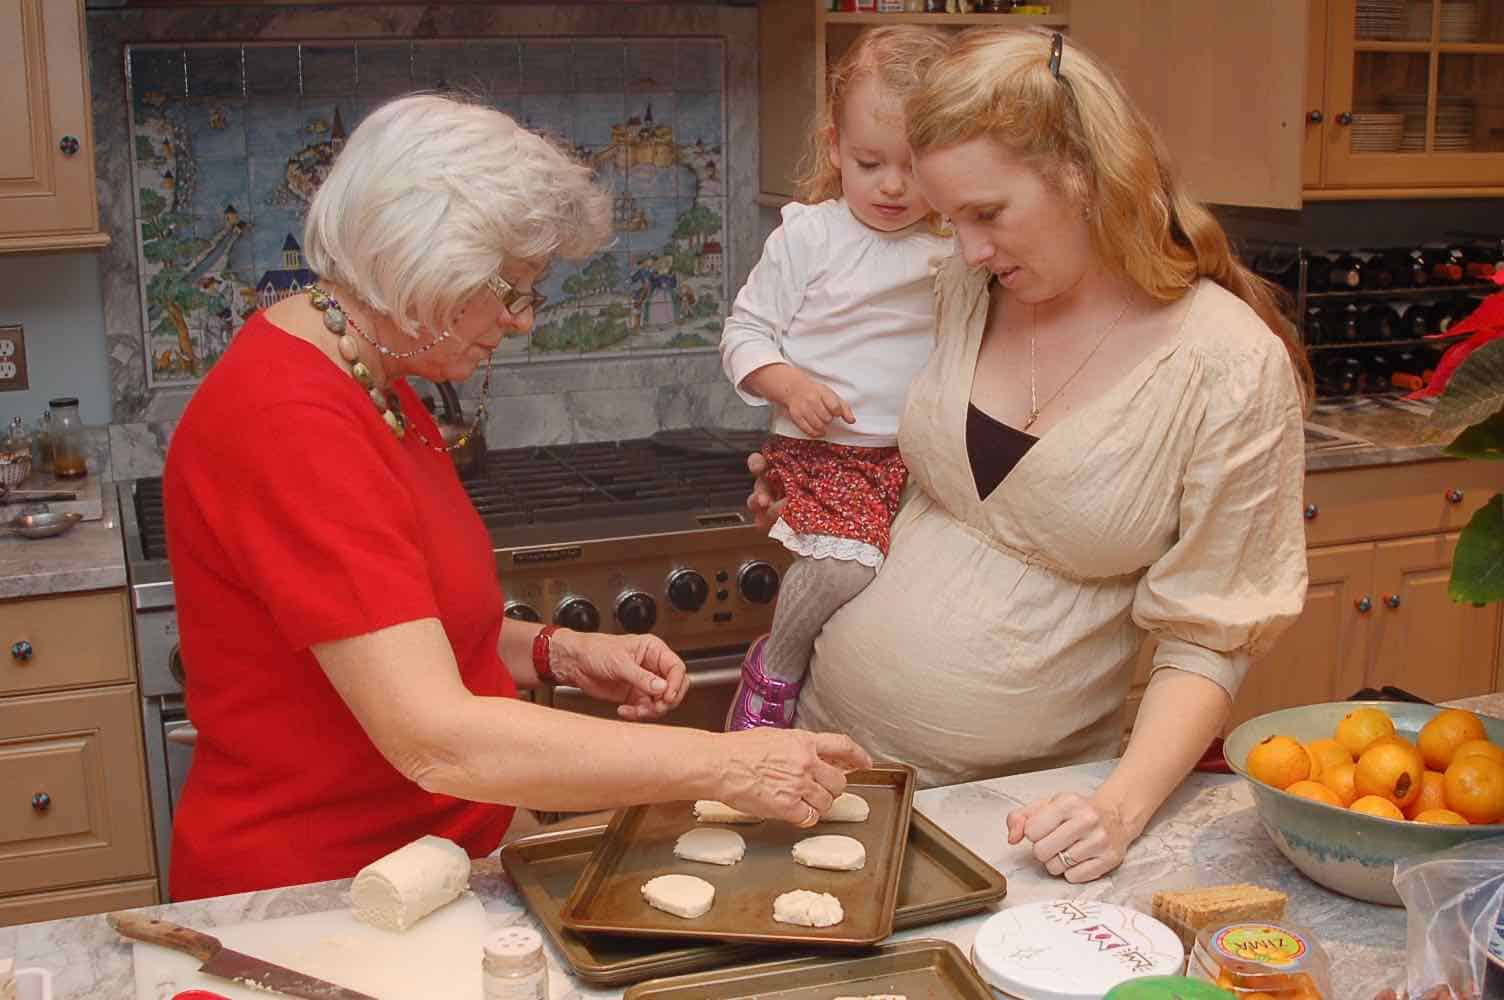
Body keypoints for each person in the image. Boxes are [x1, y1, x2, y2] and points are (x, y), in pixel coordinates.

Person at [163, 94, 870, 902]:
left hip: (436, 858)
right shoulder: (291, 420)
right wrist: (727, 763)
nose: (522, 321)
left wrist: (558, 652)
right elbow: (437, 737)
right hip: (323, 895)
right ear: (424, 258)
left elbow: (388, 621)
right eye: (511, 289)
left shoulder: (380, 381)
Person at [747, 29, 1310, 882]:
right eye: (949, 219)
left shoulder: (1226, 365)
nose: (963, 249)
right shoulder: (971, 287)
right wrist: (814, 487)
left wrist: (1116, 810)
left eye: (986, 214)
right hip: (824, 755)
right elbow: (899, 463)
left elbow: (1210, 637)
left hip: (1019, 814)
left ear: (1083, 177)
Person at [719, 26, 953, 731]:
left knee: (893, 586)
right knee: (846, 567)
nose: (891, 185)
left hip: (914, 457)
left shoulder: (953, 246)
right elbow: (744, 333)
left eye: (915, 166)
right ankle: (775, 671)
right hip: (827, 452)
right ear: (832, 149)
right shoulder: (810, 236)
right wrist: (787, 384)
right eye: (868, 161)